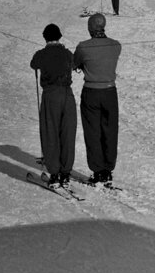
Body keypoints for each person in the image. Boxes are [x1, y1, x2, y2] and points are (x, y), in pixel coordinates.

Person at [73, 13, 122, 185]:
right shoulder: (116, 45)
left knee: (92, 131)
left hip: (91, 92)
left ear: (90, 28)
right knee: (110, 131)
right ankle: (108, 169)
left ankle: (97, 170)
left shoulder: (83, 47)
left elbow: (74, 63)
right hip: (110, 92)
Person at [31, 23, 77, 187]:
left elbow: (33, 64)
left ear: (45, 38)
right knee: (67, 133)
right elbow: (75, 64)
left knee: (51, 132)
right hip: (67, 95)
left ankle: (55, 173)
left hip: (51, 95)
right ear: (59, 37)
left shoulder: (41, 54)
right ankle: (66, 172)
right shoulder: (67, 53)